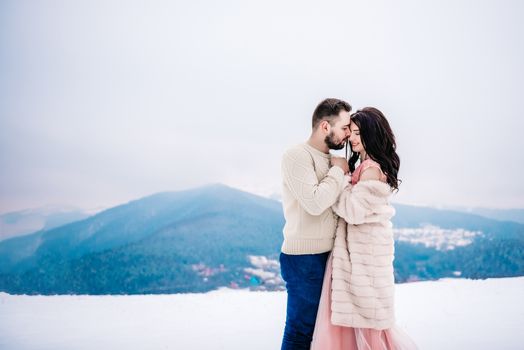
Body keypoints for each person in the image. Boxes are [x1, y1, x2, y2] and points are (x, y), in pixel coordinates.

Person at [311, 107, 418, 350]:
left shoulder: (371, 169)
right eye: (352, 132)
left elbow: (353, 211)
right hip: (359, 253)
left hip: (365, 255)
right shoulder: (365, 164)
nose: (352, 138)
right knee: (360, 321)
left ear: (371, 134)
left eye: (358, 133)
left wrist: (340, 178)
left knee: (367, 322)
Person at [280, 98, 353, 349]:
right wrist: (338, 171)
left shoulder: (333, 160)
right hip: (304, 259)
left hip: (329, 255)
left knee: (322, 333)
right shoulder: (296, 156)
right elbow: (314, 202)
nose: (347, 134)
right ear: (325, 127)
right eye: (344, 127)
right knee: (301, 332)